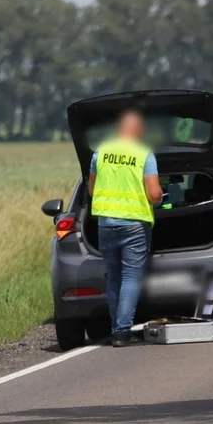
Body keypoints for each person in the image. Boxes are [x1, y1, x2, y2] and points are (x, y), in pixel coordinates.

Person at [87, 110, 163, 347]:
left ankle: (115, 328)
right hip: (134, 225)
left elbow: (91, 191)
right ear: (138, 130)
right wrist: (160, 196)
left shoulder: (100, 153)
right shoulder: (144, 155)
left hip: (106, 224)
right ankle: (122, 331)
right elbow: (153, 193)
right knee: (130, 278)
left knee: (113, 277)